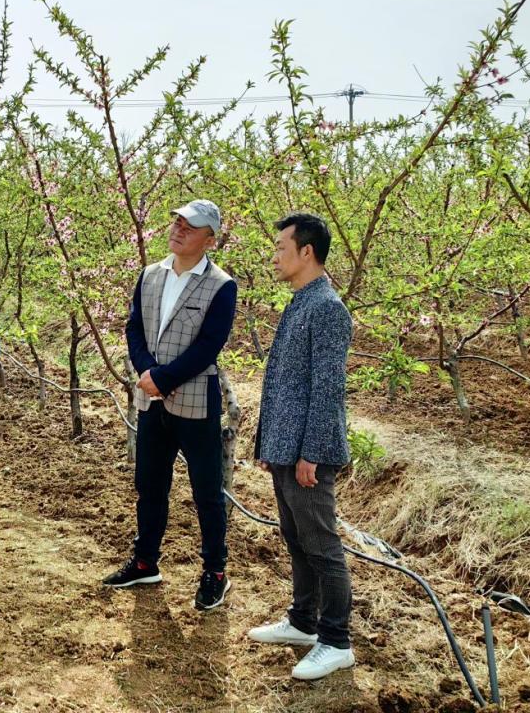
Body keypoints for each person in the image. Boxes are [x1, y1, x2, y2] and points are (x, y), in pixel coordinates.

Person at [104, 199, 238, 612]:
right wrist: (146, 371)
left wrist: (163, 379)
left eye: (190, 226)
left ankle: (215, 572)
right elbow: (134, 328)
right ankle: (145, 561)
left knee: (206, 493)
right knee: (150, 486)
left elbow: (209, 346)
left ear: (209, 239)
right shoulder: (150, 275)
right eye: (177, 222)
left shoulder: (221, 285)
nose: (178, 229)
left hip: (195, 403)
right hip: (151, 400)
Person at [247, 212, 355, 680]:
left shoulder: (327, 308)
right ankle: (302, 621)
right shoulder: (301, 301)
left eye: (280, 248)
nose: (274, 257)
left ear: (306, 252)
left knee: (322, 545)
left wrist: (311, 452)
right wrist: (271, 444)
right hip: (285, 445)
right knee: (296, 537)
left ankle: (336, 641)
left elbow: (327, 388)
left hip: (307, 452)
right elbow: (283, 382)